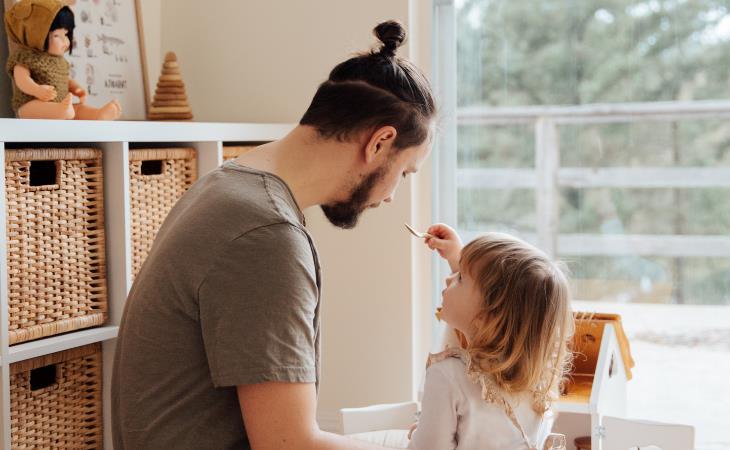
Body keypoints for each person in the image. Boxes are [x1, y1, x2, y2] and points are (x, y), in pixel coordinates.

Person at [111, 20, 436, 449]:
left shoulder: (228, 184)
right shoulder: (265, 235)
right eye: (405, 172)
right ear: (379, 143)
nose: (394, 194)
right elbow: (289, 444)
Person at [407, 224, 573, 450]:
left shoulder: (446, 376)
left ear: (490, 315)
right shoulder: (538, 381)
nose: (449, 280)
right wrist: (458, 258)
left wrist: (421, 436)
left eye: (461, 278)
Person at [4, 0, 121, 119]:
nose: (65, 41)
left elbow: (64, 80)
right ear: (35, 35)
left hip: (60, 104)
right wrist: (37, 90)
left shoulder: (59, 61)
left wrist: (76, 88)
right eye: (57, 36)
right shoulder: (25, 56)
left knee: (77, 109)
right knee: (39, 107)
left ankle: (97, 115)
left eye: (65, 34)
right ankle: (61, 111)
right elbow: (22, 80)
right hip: (31, 102)